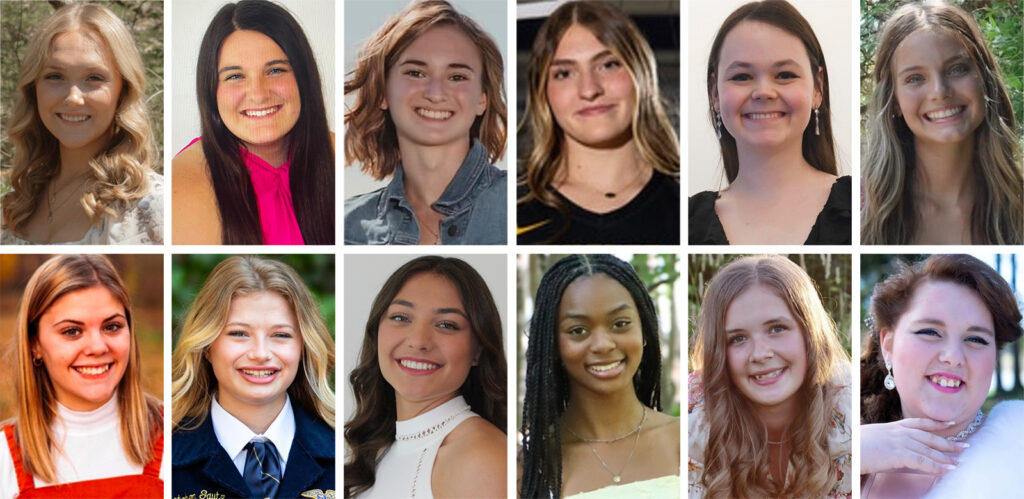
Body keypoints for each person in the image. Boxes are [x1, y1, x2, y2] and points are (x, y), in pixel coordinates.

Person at [344, 0, 507, 245]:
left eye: (457, 77)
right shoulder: (347, 226)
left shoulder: (518, 204)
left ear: (482, 99)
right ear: (383, 93)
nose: (435, 93)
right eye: (416, 73)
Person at [860, 254, 1024, 498]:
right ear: (888, 346)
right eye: (930, 332)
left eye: (976, 339)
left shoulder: (1016, 451)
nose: (953, 356)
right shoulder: (846, 446)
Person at [171, 256, 335, 498]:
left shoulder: (343, 448)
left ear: (304, 346)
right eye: (239, 333)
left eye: (281, 335)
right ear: (206, 346)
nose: (260, 354)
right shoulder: (165, 454)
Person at [173, 0, 335, 245]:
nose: (258, 93)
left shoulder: (341, 155)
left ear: (303, 77)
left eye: (275, 71)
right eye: (235, 76)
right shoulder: (184, 183)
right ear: (211, 90)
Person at [517, 2, 680, 245]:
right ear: (542, 92)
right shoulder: (507, 206)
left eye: (608, 65)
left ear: (641, 73)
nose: (589, 89)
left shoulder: (687, 205)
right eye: (564, 73)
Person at [0, 255, 163, 497]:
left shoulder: (176, 433)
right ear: (35, 344)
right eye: (72, 331)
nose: (97, 347)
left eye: (112, 327)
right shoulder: (4, 458)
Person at [689, 0, 850, 245]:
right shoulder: (687, 220)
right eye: (742, 76)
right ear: (715, 93)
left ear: (818, 88)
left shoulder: (862, 205)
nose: (764, 92)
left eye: (785, 75)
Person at [689, 255, 851, 498]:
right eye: (738, 339)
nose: (760, 354)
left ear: (809, 333)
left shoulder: (851, 406)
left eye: (777, 329)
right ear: (718, 352)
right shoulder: (696, 422)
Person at [861, 2, 1023, 245]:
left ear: (985, 79)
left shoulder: (1018, 203)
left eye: (957, 69)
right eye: (915, 78)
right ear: (894, 100)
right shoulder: (859, 209)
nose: (940, 91)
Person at [1, 4, 162, 245]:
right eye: (55, 76)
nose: (73, 98)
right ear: (33, 88)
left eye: (94, 78)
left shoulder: (154, 204)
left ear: (123, 90)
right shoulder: (15, 205)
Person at [345, 256, 506, 497]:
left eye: (447, 325)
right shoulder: (380, 448)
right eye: (401, 318)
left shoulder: (479, 458)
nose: (419, 341)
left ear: (478, 350)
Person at [520, 254, 680, 498]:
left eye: (620, 324)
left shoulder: (688, 441)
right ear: (552, 344)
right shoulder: (530, 466)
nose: (603, 345)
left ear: (644, 330)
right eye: (578, 330)